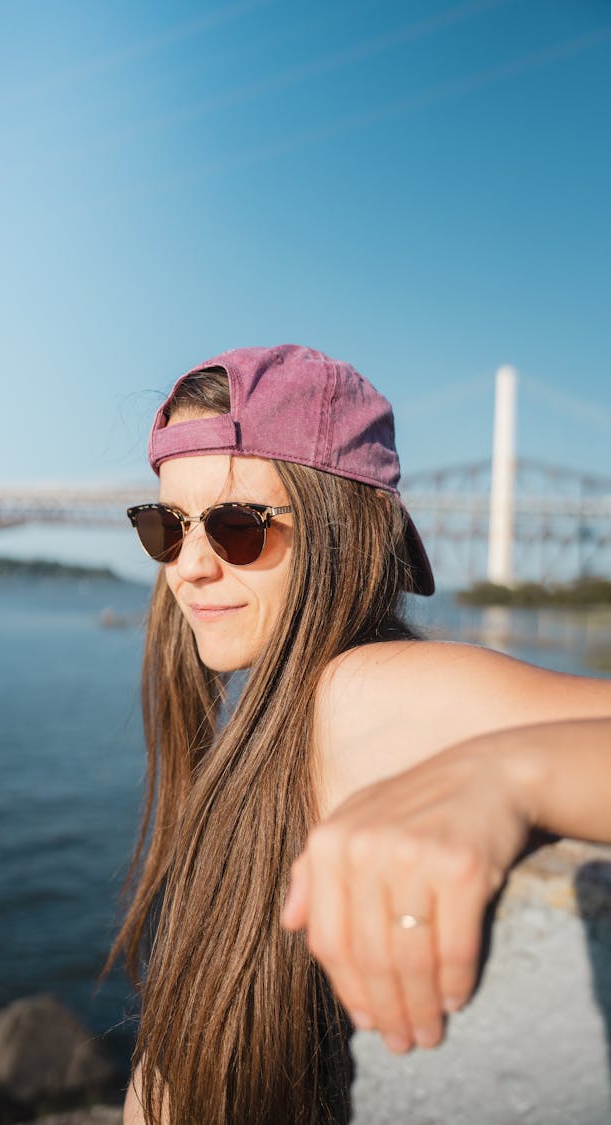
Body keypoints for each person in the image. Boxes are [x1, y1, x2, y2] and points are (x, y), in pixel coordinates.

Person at [107, 344, 611, 1125]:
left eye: (238, 526)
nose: (189, 567)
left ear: (342, 532)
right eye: (165, 526)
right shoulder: (281, 705)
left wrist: (506, 775)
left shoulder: (358, 691)